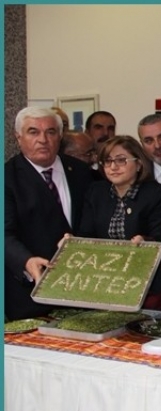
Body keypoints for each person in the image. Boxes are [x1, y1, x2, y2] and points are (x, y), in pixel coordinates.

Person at [73, 135, 161, 317]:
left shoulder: (156, 193)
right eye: (108, 161)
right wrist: (73, 243)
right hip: (107, 284)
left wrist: (145, 241)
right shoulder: (96, 192)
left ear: (138, 164)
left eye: (121, 160)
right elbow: (86, 234)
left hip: (149, 285)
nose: (113, 167)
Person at [5, 107, 94, 320]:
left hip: (83, 292)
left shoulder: (82, 172)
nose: (43, 140)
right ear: (18, 137)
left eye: (50, 132)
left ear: (60, 136)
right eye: (33, 132)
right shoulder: (7, 178)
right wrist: (26, 261)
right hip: (31, 297)